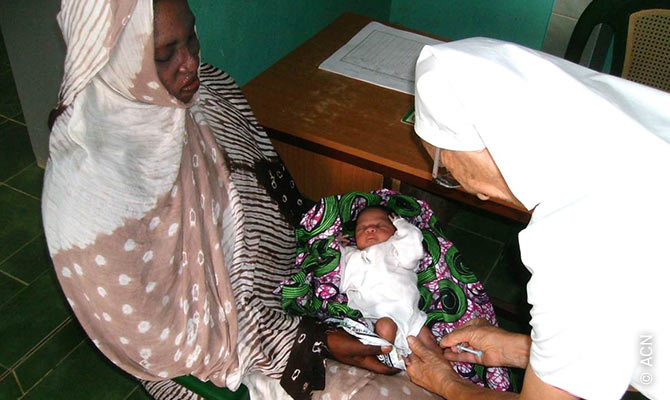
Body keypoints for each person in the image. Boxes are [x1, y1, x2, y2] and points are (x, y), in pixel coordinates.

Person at [43, 1, 441, 399]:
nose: (190, 65)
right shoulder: (92, 197)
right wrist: (313, 341)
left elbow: (283, 202)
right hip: (227, 356)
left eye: (192, 39)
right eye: (164, 55)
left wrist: (330, 257)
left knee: (431, 306)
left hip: (299, 281)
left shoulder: (211, 92)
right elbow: (171, 341)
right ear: (114, 60)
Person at [404, 38, 669, 400]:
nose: (467, 189)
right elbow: (641, 337)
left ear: (478, 148)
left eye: (444, 168)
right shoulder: (635, 123)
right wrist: (522, 351)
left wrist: (448, 383)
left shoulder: (575, 244)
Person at [339, 206, 439, 360]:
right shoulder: (351, 256)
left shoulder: (396, 247)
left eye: (380, 225)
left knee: (430, 340)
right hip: (377, 316)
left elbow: (414, 246)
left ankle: (442, 369)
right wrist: (336, 245)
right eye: (362, 228)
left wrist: (402, 224)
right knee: (385, 328)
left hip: (410, 315)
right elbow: (335, 274)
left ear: (395, 232)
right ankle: (387, 361)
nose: (371, 229)